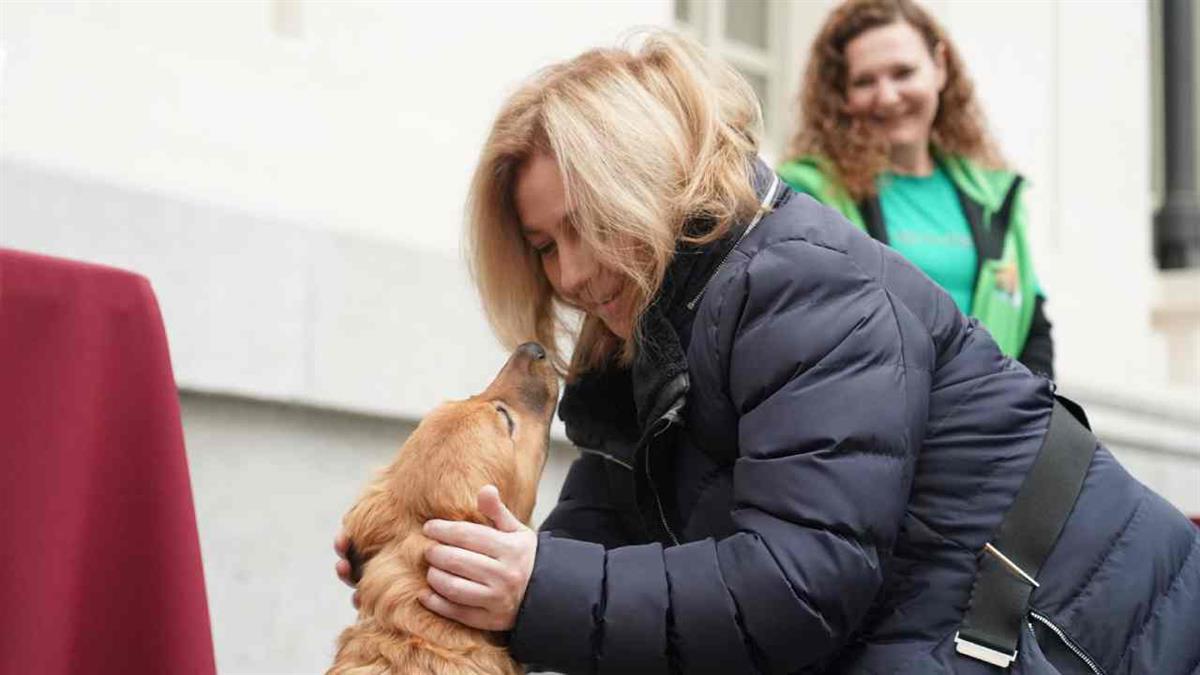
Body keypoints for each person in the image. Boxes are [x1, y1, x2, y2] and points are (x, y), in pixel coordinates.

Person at [336, 31, 1199, 673]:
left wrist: (534, 587)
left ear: (645, 185)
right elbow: (597, 543)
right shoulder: (645, 324)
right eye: (544, 246)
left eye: (586, 226)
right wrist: (433, 575)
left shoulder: (801, 285)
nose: (570, 274)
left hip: (1088, 628)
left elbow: (799, 585)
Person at [778, 0, 1054, 378]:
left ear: (939, 66)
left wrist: (1027, 407)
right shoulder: (807, 195)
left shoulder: (996, 195)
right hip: (875, 411)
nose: (887, 96)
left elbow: (1033, 327)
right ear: (840, 95)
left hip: (994, 411)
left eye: (903, 73)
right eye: (864, 81)